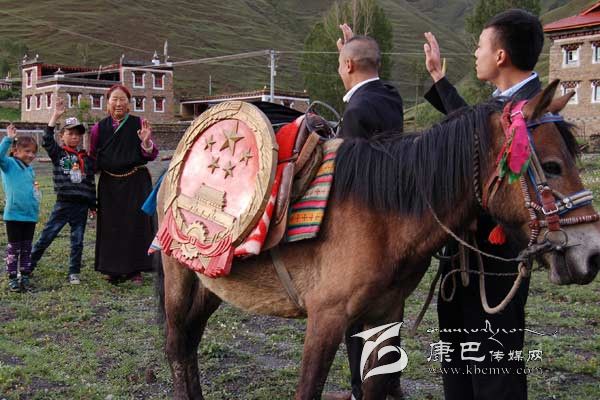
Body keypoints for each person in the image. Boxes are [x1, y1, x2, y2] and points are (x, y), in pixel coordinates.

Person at [422, 9, 544, 400]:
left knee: (494, 366)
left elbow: (520, 185)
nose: (475, 54)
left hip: (497, 259)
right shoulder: (502, 104)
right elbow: (471, 126)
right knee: (459, 358)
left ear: (501, 55)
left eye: (479, 46)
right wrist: (438, 78)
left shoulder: (537, 111)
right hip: (464, 256)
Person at [324, 24, 404, 400]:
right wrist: (352, 48)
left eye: (341, 64)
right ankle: (387, 384)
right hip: (395, 222)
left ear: (349, 65)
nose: (339, 70)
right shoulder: (389, 96)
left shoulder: (357, 110)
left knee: (356, 316)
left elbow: (348, 177)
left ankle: (362, 391)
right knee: (386, 313)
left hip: (365, 227)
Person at [89, 84, 158, 285]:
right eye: (114, 99)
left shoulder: (139, 124)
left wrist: (146, 142)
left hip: (136, 181)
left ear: (129, 104)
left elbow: (151, 154)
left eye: (122, 100)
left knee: (135, 224)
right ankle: (112, 269)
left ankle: (135, 269)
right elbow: (93, 156)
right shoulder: (98, 128)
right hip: (109, 183)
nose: (118, 103)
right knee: (110, 225)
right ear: (107, 103)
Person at [30, 98, 96, 285]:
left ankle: (74, 272)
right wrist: (55, 116)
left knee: (78, 240)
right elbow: (46, 140)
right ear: (62, 136)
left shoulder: (86, 159)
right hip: (63, 204)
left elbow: (91, 183)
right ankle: (28, 265)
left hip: (81, 206)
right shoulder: (58, 153)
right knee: (47, 236)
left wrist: (93, 205)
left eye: (78, 134)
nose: (74, 137)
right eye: (70, 133)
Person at [0, 124, 40, 292]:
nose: (30, 155)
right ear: (16, 152)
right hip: (14, 215)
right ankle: (12, 278)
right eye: (27, 151)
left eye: (33, 152)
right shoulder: (9, 165)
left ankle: (24, 276)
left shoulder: (30, 170)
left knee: (26, 248)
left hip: (30, 215)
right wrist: (8, 139)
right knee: (14, 249)